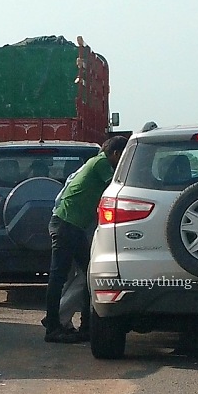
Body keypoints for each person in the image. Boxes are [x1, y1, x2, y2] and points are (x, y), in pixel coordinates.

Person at [43, 135, 128, 343]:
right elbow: (119, 187)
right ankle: (53, 327)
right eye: (123, 158)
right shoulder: (101, 164)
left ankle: (81, 326)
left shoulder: (96, 162)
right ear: (116, 154)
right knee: (58, 277)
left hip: (71, 225)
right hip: (66, 225)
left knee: (88, 275)